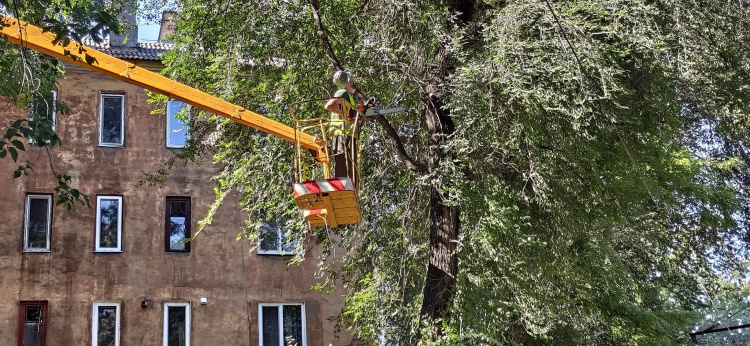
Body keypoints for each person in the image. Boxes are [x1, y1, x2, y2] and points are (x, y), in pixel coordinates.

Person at [324, 71, 360, 181]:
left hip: (348, 134)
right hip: (341, 134)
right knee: (342, 165)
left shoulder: (348, 96)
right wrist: (345, 113)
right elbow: (329, 106)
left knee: (351, 167)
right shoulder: (342, 93)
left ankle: (351, 188)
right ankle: (341, 188)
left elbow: (350, 114)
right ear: (348, 80)